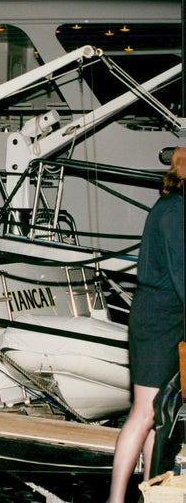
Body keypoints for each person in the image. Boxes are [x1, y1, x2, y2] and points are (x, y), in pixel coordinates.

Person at [108, 147, 185, 502]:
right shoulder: (173, 211)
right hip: (157, 319)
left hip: (172, 315)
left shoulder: (174, 208)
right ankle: (116, 498)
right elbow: (181, 272)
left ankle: (149, 493)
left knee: (160, 416)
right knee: (143, 413)